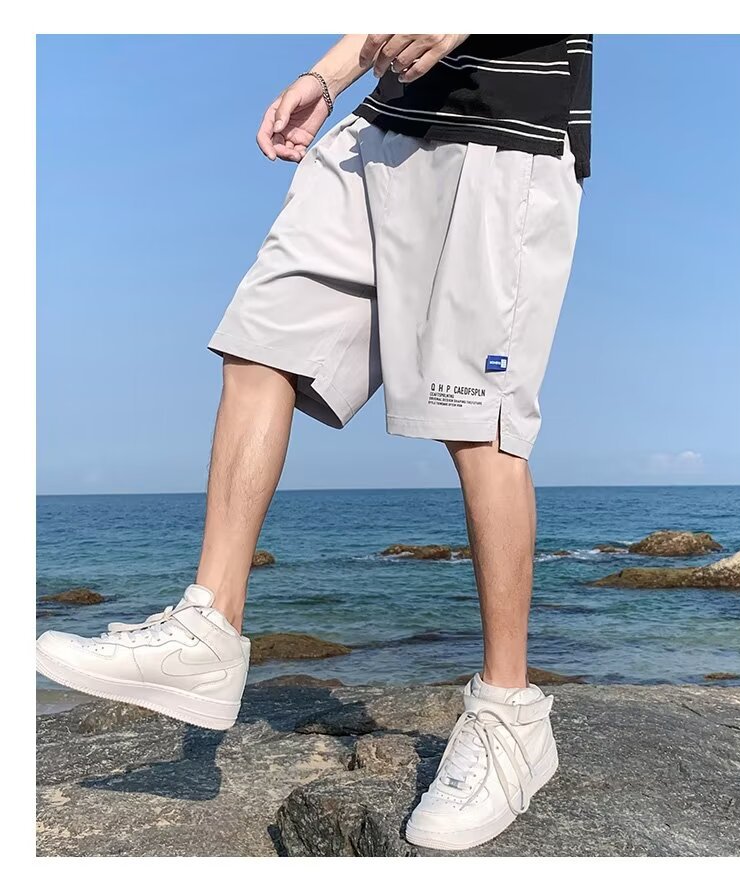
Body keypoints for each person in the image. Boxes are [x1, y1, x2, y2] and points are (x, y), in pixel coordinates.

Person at [36, 34, 592, 851]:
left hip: (505, 131)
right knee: (260, 345)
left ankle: (510, 716)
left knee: (477, 422)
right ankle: (208, 627)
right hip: (379, 124)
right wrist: (327, 76)